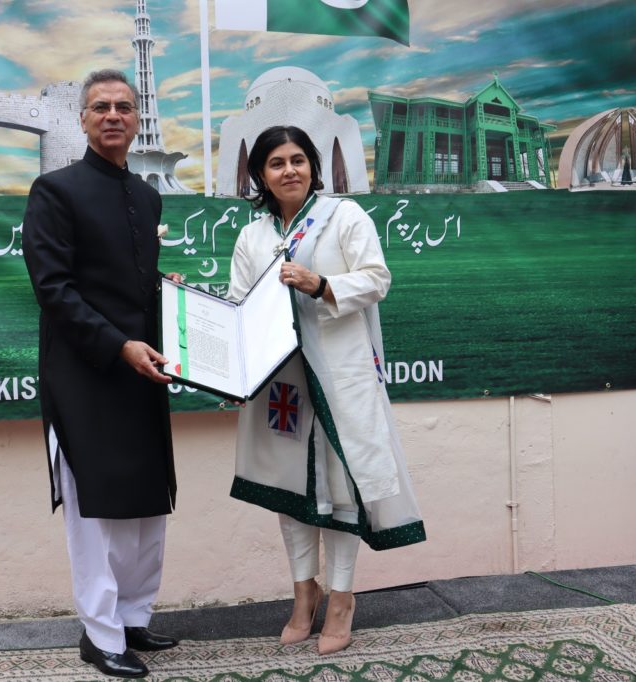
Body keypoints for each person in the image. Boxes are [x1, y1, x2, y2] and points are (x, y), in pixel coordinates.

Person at [227, 125, 426, 654]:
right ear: (260, 176)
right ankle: (303, 594)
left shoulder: (343, 216)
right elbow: (238, 308)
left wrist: (321, 284)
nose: (289, 170)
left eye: (298, 159)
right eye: (276, 163)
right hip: (282, 384)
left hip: (340, 374)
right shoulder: (253, 235)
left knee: (340, 491)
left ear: (313, 165)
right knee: (291, 489)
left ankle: (340, 599)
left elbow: (377, 278)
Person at [21, 68, 180, 679]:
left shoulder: (147, 196)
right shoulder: (54, 191)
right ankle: (101, 635)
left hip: (142, 371)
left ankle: (135, 617)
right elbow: (54, 291)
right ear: (82, 120)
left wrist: (175, 304)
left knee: (146, 505)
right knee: (98, 511)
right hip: (88, 373)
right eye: (100, 108)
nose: (113, 115)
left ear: (137, 118)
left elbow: (136, 287)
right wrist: (118, 347)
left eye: (124, 107)